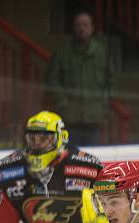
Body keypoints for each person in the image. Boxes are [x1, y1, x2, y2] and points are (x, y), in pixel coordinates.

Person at [45, 10, 113, 146]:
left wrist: (104, 104)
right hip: (70, 117)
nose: (82, 29)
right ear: (73, 28)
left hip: (94, 117)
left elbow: (111, 81)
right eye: (78, 25)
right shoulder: (62, 53)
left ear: (92, 28)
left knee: (93, 157)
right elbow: (52, 80)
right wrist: (62, 102)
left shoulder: (102, 53)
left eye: (85, 25)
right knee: (71, 157)